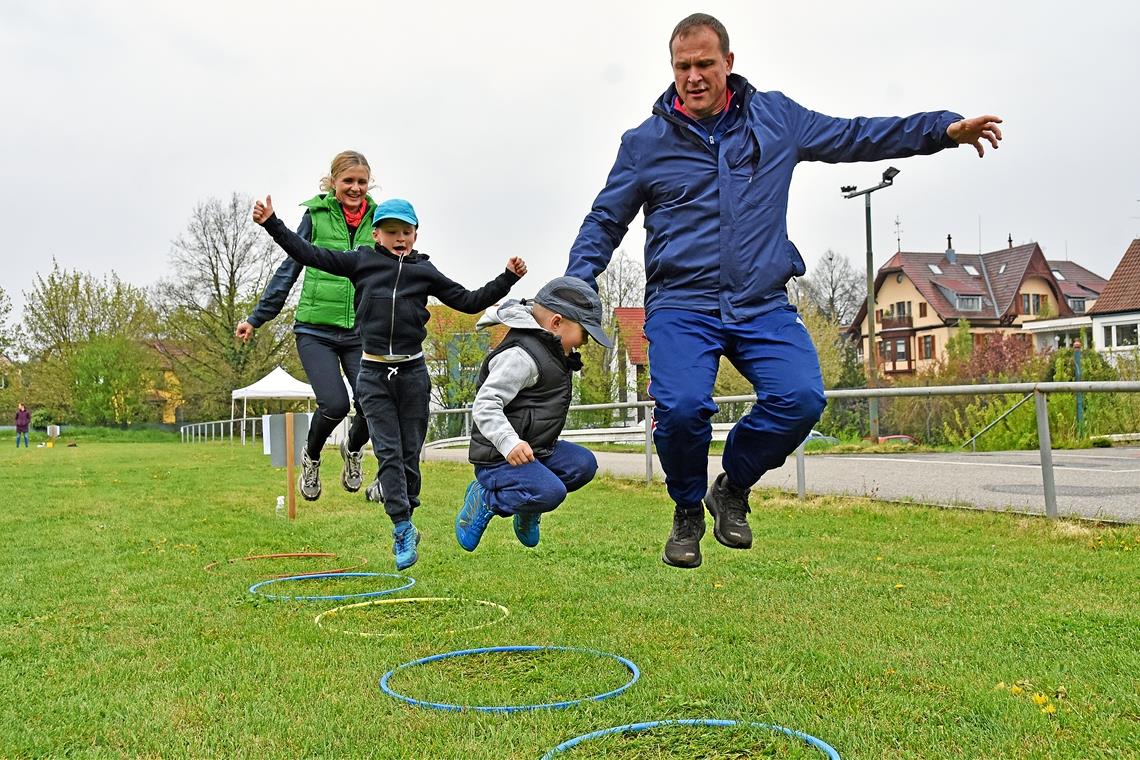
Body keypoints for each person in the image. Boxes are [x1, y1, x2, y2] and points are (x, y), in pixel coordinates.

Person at [566, 13, 1003, 569]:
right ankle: (686, 510)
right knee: (680, 409)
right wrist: (577, 286)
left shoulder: (776, 120)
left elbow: (856, 135)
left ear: (729, 62)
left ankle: (732, 488)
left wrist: (942, 131)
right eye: (682, 67)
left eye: (705, 64)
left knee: (801, 399)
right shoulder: (645, 144)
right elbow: (605, 221)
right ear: (671, 69)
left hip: (760, 301)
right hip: (682, 304)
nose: (694, 77)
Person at [252, 194, 526, 570]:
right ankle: (401, 526)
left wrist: (507, 278)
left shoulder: (424, 272)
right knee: (388, 453)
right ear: (377, 233)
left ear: (415, 235)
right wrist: (272, 223)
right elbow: (309, 253)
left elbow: (468, 300)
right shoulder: (361, 262)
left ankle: (406, 513)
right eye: (392, 231)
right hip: (374, 374)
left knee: (410, 454)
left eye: (406, 232)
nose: (400, 238)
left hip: (413, 375)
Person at [236, 150, 377, 503]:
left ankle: (352, 449)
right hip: (316, 331)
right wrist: (257, 318)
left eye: (362, 182)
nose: (355, 188)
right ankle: (311, 457)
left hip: (360, 332)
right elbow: (290, 267)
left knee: (373, 403)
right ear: (333, 183)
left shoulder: (379, 218)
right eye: (348, 181)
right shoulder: (315, 216)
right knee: (334, 404)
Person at [454, 276, 610, 552]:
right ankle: (485, 497)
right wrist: (508, 442)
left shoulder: (551, 349)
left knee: (583, 465)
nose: (585, 342)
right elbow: (485, 404)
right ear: (556, 322)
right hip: (498, 459)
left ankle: (527, 509)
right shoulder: (521, 356)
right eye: (584, 333)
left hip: (536, 450)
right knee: (550, 493)